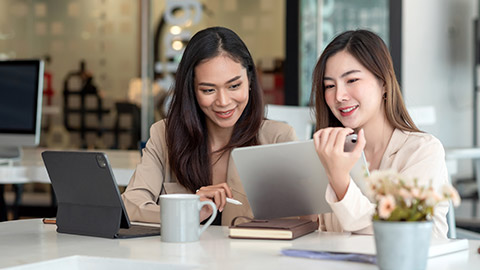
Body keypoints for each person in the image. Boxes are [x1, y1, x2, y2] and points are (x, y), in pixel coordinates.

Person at [121, 26, 296, 226]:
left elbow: (302, 221)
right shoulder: (165, 135)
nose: (223, 101)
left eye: (234, 86)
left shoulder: (278, 139)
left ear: (249, 81)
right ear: (192, 90)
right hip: (179, 256)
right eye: (208, 89)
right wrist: (188, 209)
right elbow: (131, 206)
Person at [311, 29, 449, 238]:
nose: (339, 96)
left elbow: (398, 233)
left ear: (383, 82)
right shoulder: (328, 152)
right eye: (329, 86)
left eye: (352, 80)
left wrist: (339, 179)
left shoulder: (422, 151)